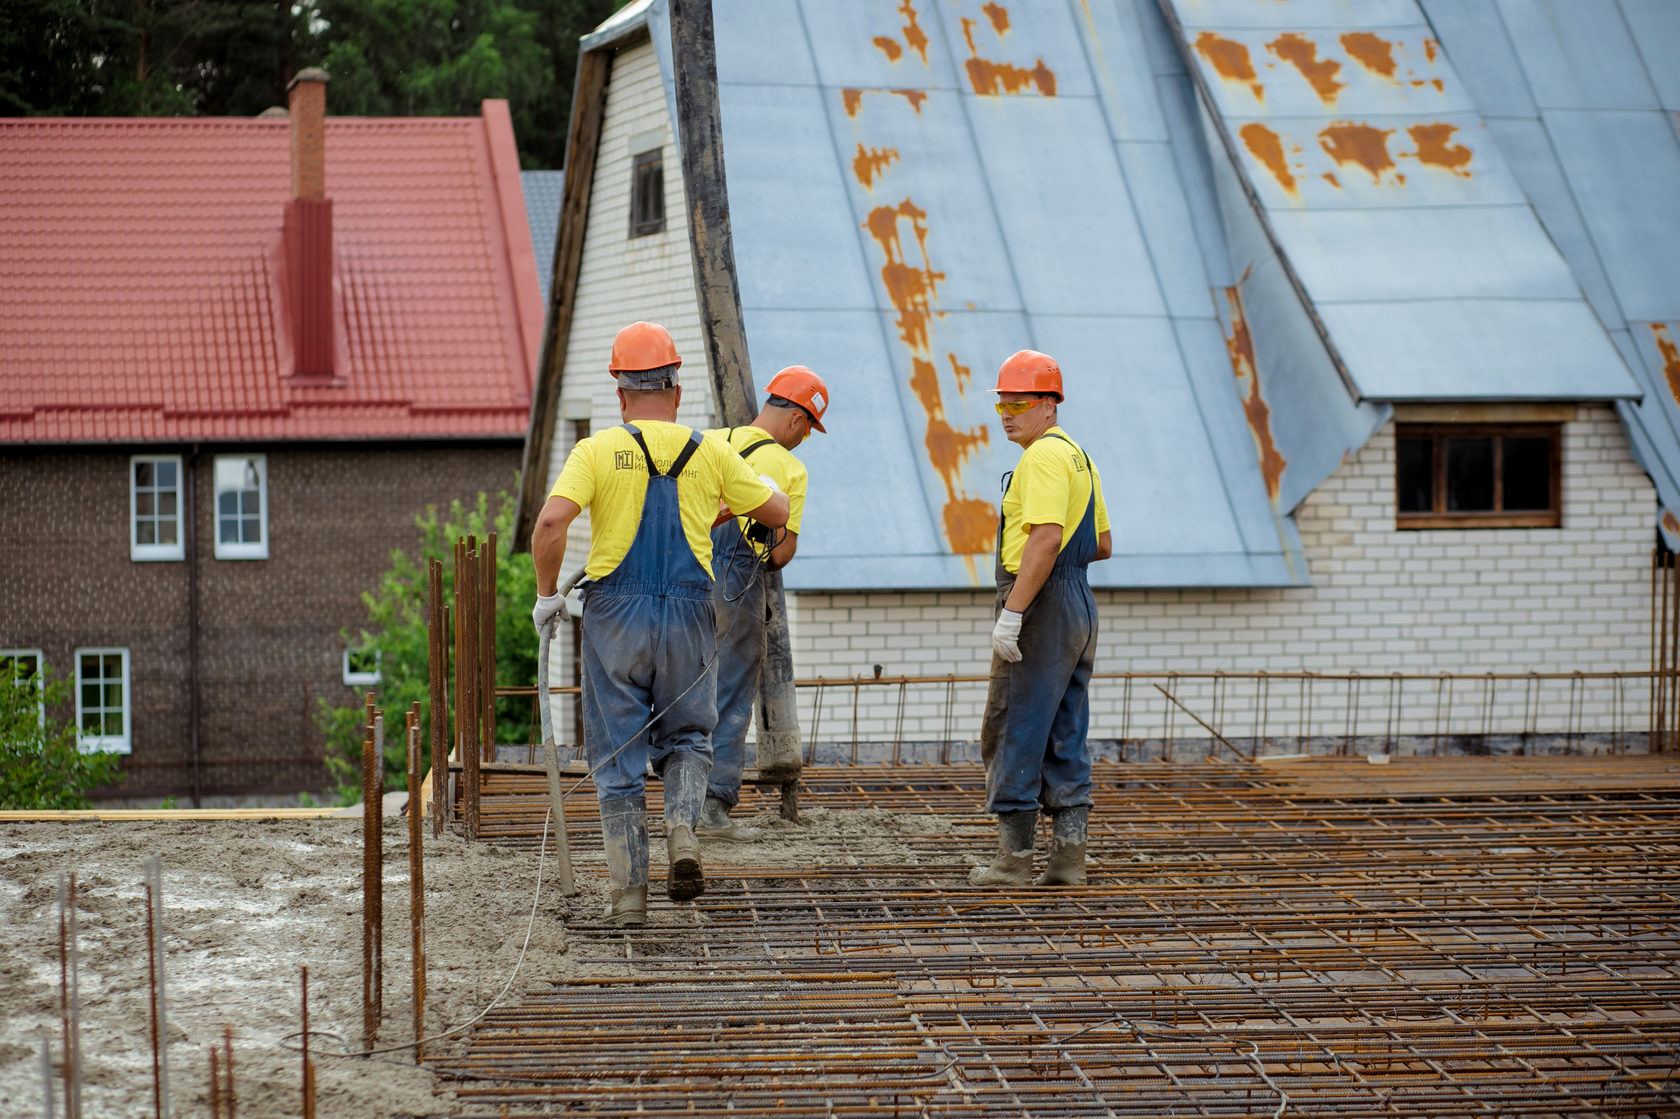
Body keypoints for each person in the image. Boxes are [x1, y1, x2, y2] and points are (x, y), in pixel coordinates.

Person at [530, 322, 789, 926]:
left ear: (621, 394)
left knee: (617, 757)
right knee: (690, 737)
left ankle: (628, 897)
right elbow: (774, 513)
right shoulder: (712, 451)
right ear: (676, 387)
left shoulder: (595, 451)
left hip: (615, 616)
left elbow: (550, 524)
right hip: (690, 613)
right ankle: (683, 831)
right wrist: (761, 490)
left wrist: (548, 598)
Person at [969, 349, 1112, 888]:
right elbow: (1100, 543)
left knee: (1015, 723)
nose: (1006, 412)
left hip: (1043, 603)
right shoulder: (1080, 458)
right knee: (1065, 727)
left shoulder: (1044, 458)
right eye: (1002, 402)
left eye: (1018, 402)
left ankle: (1012, 862)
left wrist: (1014, 612)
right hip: (1076, 600)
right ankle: (1069, 859)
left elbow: (1046, 538)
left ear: (1048, 405)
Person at [699, 366, 830, 838]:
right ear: (798, 419)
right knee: (730, 691)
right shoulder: (790, 468)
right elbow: (780, 554)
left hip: (682, 577)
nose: (805, 440)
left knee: (681, 687)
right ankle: (711, 809)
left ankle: (677, 798)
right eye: (809, 430)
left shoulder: (711, 442)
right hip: (735, 585)